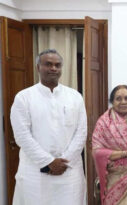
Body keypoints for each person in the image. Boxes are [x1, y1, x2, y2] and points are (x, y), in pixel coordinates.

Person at [10, 49, 87, 205]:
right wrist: (48, 161)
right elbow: (22, 136)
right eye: (48, 64)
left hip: (69, 173)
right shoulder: (24, 97)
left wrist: (63, 162)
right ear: (38, 67)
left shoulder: (75, 97)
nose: (53, 68)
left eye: (57, 65)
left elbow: (81, 132)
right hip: (35, 173)